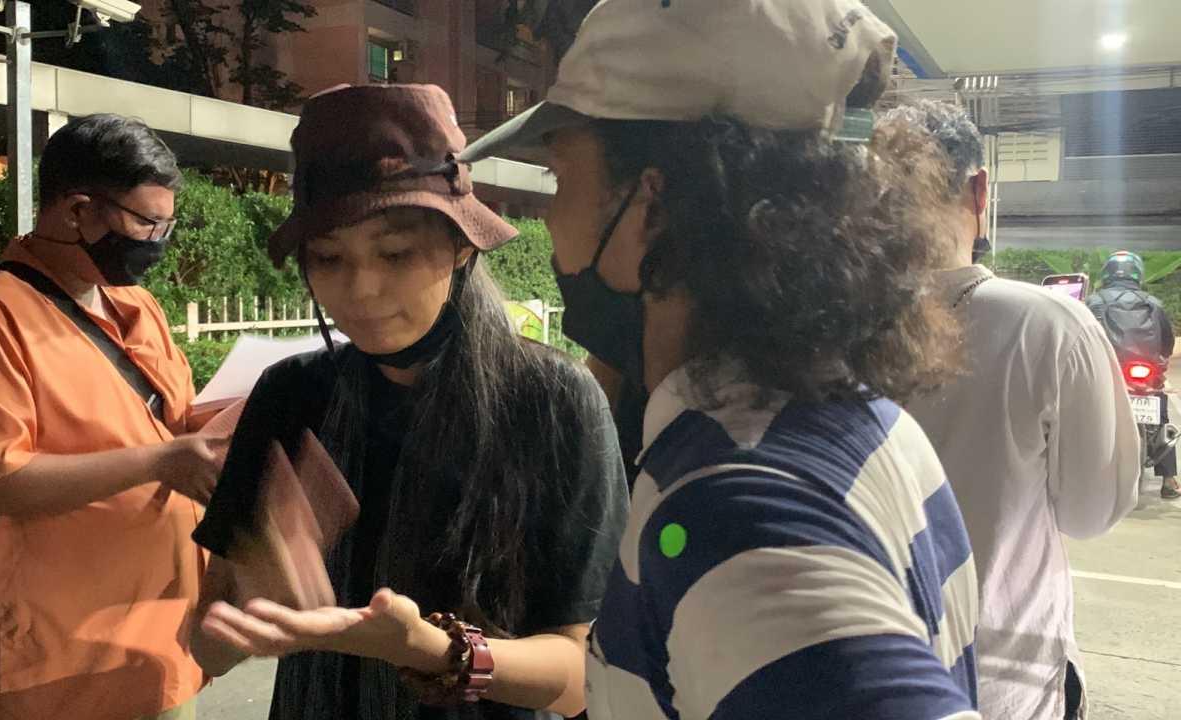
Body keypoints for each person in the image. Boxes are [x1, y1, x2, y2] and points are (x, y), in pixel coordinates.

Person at [463, 1, 980, 718]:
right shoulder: (856, 419)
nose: (548, 218)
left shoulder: (736, 514)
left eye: (561, 177)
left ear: (652, 207)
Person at [188, 84, 629, 720]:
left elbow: (581, 675)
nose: (361, 288)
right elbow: (205, 645)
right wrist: (252, 605)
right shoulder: (293, 395)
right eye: (328, 257)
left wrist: (430, 650)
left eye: (395, 253)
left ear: (462, 245)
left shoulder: (551, 402)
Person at [0, 114, 225, 720]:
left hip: (162, 643)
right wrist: (160, 461)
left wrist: (238, 414)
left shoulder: (136, 306)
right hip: (60, 668)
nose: (158, 241)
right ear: (79, 211)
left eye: (167, 225)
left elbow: (170, 422)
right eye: (147, 223)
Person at [885, 101, 1140, 720]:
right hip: (1003, 681)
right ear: (979, 191)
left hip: (865, 672)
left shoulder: (818, 333)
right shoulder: (1050, 327)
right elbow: (1090, 511)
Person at [1087, 251, 1178, 499]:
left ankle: (1085, 470)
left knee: (1090, 413)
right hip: (1146, 371)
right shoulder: (1153, 303)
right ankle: (1169, 480)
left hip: (1109, 370)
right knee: (1161, 414)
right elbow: (1167, 341)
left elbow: (1085, 338)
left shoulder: (1095, 302)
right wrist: (1161, 364)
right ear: (1137, 274)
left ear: (1107, 273)